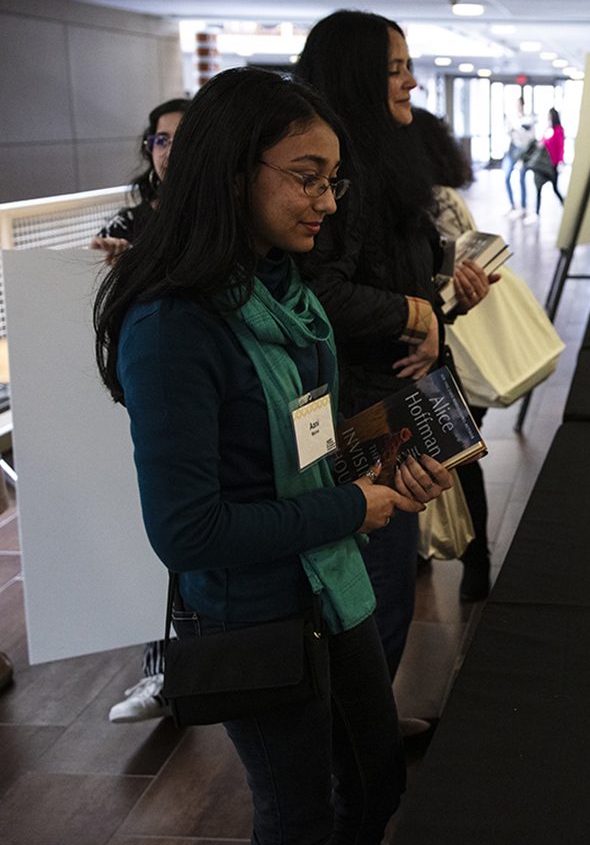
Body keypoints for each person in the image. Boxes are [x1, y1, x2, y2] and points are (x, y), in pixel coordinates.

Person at [93, 66, 452, 842]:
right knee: (300, 813)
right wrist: (355, 504)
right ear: (230, 175)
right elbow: (189, 534)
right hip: (254, 615)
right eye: (306, 179)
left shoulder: (285, 291)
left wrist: (379, 471)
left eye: (333, 181)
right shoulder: (172, 328)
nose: (326, 202)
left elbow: (299, 447)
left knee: (375, 776)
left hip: (332, 583)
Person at [295, 10, 495, 676]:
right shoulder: (340, 178)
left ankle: (365, 742)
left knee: (388, 603)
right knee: (372, 605)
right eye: (396, 68)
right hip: (359, 425)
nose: (412, 83)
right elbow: (319, 294)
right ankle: (356, 763)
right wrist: (415, 309)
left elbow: (393, 304)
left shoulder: (382, 163)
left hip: (393, 406)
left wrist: (441, 311)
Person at [90, 97, 190, 722]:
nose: (168, 150)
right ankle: (161, 674)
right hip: (143, 390)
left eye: (181, 138)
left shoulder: (224, 218)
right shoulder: (129, 223)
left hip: (202, 388)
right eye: (158, 140)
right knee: (149, 531)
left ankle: (205, 669)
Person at [409, 107, 496, 602]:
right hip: (442, 348)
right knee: (450, 458)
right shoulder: (440, 198)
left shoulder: (435, 201)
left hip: (445, 351)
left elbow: (457, 274)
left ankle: (475, 560)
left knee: (457, 457)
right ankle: (458, 559)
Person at [91, 98, 190, 264]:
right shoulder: (126, 225)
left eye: (183, 140)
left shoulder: (227, 216)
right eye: (161, 141)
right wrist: (103, 258)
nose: (170, 153)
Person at [525, 106, 565, 226]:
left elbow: (560, 147)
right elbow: (542, 142)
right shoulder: (548, 129)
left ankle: (565, 206)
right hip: (542, 165)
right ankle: (536, 213)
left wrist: (560, 162)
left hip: (552, 165)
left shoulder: (558, 130)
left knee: (555, 188)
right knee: (538, 188)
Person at [501, 96, 535, 219]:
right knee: (506, 177)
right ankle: (512, 205)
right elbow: (508, 133)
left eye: (518, 104)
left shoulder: (528, 120)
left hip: (523, 152)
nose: (517, 107)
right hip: (512, 150)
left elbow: (530, 138)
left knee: (522, 179)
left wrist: (519, 130)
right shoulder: (512, 118)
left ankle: (524, 208)